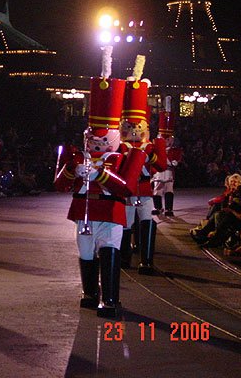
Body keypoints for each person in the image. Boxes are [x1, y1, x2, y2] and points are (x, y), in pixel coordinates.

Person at [54, 48, 145, 318]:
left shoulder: (128, 156)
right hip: (83, 211)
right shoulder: (75, 155)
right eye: (93, 139)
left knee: (108, 250)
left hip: (110, 211)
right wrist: (73, 170)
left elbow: (126, 187)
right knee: (85, 252)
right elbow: (59, 185)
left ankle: (111, 299)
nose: (96, 144)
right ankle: (90, 293)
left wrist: (99, 175)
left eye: (102, 140)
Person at [118, 55, 167, 274]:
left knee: (147, 220)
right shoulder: (121, 146)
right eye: (130, 127)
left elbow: (161, 166)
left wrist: (153, 153)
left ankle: (146, 260)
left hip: (145, 189)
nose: (134, 130)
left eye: (137, 127)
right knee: (126, 224)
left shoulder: (149, 146)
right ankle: (124, 258)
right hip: (129, 190)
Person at [151, 96, 183, 218]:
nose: (166, 141)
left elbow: (177, 158)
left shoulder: (174, 149)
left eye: (168, 139)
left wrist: (174, 161)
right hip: (158, 172)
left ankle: (169, 208)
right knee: (157, 189)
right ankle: (158, 207)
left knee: (169, 189)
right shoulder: (155, 149)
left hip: (168, 171)